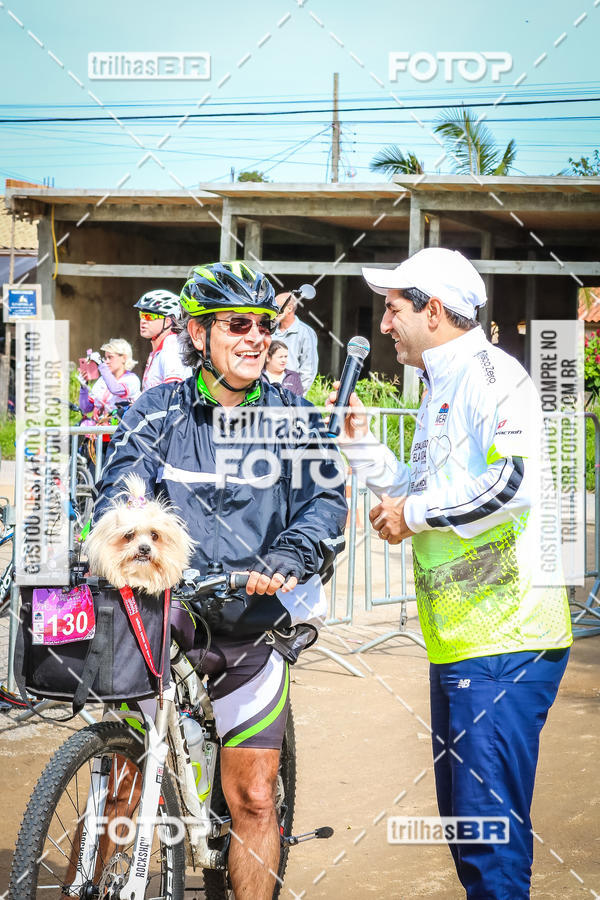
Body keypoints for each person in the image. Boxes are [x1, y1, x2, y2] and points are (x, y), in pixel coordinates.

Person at [93, 261, 347, 899]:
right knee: (121, 788)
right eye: (238, 324)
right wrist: (118, 537)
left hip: (251, 623)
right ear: (199, 334)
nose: (256, 336)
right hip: (162, 617)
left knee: (256, 798)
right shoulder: (158, 411)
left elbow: (324, 501)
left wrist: (288, 555)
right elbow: (119, 489)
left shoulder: (294, 414)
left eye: (264, 324)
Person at [330, 247, 573, 900]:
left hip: (505, 641)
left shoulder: (493, 376)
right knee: (473, 837)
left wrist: (415, 511)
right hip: (465, 640)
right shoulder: (443, 383)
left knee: (487, 842)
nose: (384, 324)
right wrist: (365, 451)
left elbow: (511, 480)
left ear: (433, 312)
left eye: (393, 309)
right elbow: (426, 489)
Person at [134, 288, 192, 390]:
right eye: (141, 315)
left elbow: (172, 391)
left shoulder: (172, 347)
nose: (143, 321)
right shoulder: (159, 350)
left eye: (149, 316)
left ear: (168, 321)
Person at [78, 338, 141, 423]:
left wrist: (101, 364)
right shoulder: (102, 380)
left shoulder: (132, 379)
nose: (106, 362)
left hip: (119, 432)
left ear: (124, 358)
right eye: (105, 358)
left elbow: (115, 389)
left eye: (110, 357)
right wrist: (83, 387)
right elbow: (85, 408)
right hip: (99, 433)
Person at [272, 290, 318, 394]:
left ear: (289, 309)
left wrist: (296, 396)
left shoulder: (306, 332)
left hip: (291, 394)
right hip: (268, 392)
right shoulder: (270, 331)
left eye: (277, 307)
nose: (274, 311)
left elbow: (308, 370)